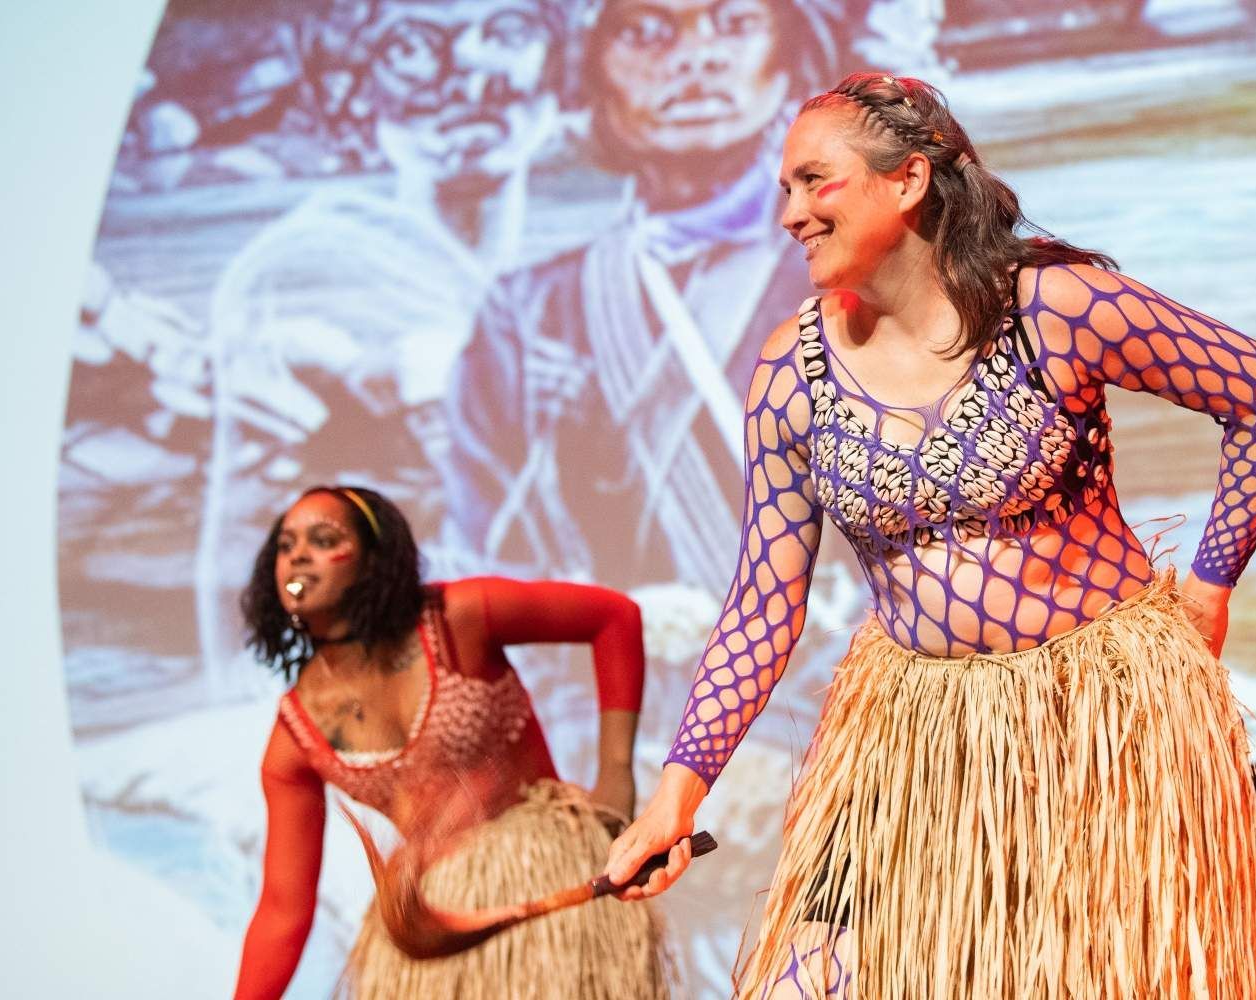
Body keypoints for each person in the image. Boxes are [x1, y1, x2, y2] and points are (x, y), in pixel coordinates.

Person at [605, 73, 1256, 998]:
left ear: (907, 182)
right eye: (783, 190)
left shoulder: (1056, 308)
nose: (790, 214)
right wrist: (677, 791)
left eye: (815, 181)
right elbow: (761, 604)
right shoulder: (791, 372)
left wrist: (1210, 587)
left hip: (1093, 722)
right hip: (916, 731)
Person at [195, 0, 576, 693]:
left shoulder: (565, 279)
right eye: (411, 47)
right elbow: (257, 552)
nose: (467, 76)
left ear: (560, 68)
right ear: (354, 86)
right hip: (358, 695)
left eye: (506, 35)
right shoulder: (311, 269)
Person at [445, 0, 845, 591]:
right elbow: (490, 557)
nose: (694, 59)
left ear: (791, 57)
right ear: (591, 74)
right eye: (644, 32)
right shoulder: (529, 313)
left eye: (734, 24)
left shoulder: (866, 273)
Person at [232, 485, 668, 998]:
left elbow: (613, 617)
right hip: (435, 928)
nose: (298, 555)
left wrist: (615, 778)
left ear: (374, 561)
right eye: (285, 546)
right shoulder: (296, 734)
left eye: (323, 538)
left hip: (550, 891)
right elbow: (284, 910)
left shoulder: (454, 618)